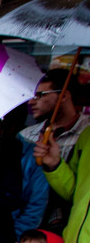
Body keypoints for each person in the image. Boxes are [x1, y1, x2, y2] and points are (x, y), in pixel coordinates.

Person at [21, 71, 90, 231]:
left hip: (70, 225)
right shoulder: (26, 136)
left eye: (40, 95)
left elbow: (77, 191)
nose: (31, 101)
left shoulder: (85, 135)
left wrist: (55, 165)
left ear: (63, 96)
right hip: (28, 221)